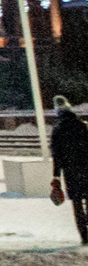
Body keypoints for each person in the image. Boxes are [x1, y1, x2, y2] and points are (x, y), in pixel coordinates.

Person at [51, 98, 88, 246]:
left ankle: (85, 236)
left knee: (77, 203)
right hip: (86, 168)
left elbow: (57, 156)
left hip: (70, 171)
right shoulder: (81, 126)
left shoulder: (58, 130)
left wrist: (56, 176)